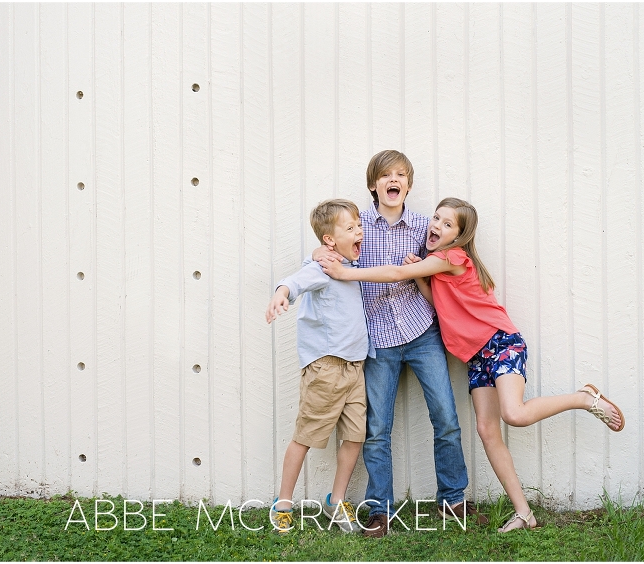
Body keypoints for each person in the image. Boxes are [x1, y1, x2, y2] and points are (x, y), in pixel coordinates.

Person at [319, 196, 625, 533]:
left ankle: (582, 398)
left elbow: (397, 272)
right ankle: (525, 513)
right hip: (476, 356)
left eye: (447, 224)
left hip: (500, 342)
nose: (436, 226)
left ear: (459, 236)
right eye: (437, 218)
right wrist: (418, 279)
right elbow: (443, 306)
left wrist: (346, 273)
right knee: (486, 430)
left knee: (515, 414)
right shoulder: (432, 259)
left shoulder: (451, 257)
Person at [313, 151, 485, 538]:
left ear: (409, 184)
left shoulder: (426, 227)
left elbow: (450, 268)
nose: (394, 180)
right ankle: (379, 510)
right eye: (386, 175)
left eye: (401, 175)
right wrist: (317, 253)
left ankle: (453, 500)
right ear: (374, 184)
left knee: (446, 418)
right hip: (377, 339)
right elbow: (327, 250)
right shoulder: (359, 227)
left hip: (422, 332)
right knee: (376, 429)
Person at [265, 198, 371, 534]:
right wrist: (281, 293)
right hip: (326, 368)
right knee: (306, 436)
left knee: (355, 436)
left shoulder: (351, 265)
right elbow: (295, 281)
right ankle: (283, 503)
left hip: (355, 369)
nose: (359, 231)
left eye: (359, 225)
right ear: (329, 240)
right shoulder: (322, 267)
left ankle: (335, 501)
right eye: (350, 228)